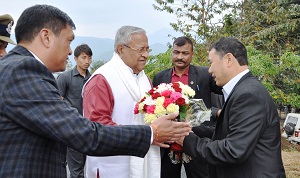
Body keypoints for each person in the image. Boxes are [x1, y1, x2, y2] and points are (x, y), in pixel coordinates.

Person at [0, 4, 191, 177]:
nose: (69, 51)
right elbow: (83, 132)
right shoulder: (24, 70)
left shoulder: (144, 79)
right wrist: (151, 132)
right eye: (68, 41)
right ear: (46, 36)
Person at [178, 37, 286, 177]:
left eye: (211, 63)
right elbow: (227, 133)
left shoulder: (248, 95)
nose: (209, 70)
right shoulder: (243, 90)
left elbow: (233, 150)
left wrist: (187, 140)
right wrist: (190, 129)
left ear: (228, 59)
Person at [82, 25, 158, 178]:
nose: (145, 55)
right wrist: (148, 134)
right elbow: (96, 128)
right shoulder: (102, 80)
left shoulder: (144, 80)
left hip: (140, 159)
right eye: (140, 49)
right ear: (121, 49)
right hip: (111, 165)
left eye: (147, 49)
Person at [152, 36, 223, 178]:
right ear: (172, 52)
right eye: (176, 52)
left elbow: (227, 90)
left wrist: (217, 112)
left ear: (192, 54)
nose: (180, 57)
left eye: (185, 53)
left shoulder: (204, 74)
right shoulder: (160, 77)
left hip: (198, 140)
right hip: (169, 143)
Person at [57, 44, 93, 178]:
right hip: (73, 129)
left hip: (90, 129)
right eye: (84, 58)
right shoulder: (65, 77)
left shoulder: (93, 79)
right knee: (76, 171)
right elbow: (58, 102)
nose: (87, 61)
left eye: (89, 58)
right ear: (76, 58)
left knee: (90, 168)